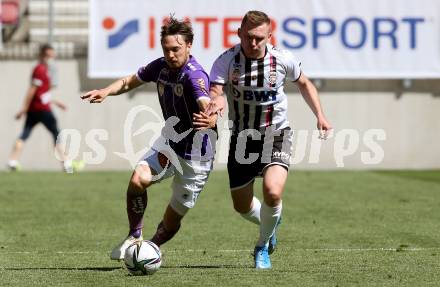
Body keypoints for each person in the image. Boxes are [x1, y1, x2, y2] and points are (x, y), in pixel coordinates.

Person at [194, 10, 332, 269]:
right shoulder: (226, 61)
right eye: (248, 37)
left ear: (270, 36)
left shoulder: (282, 59)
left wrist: (320, 115)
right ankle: (271, 221)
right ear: (239, 34)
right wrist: (216, 104)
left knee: (272, 192)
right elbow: (216, 91)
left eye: (259, 38)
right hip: (242, 138)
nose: (254, 43)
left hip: (276, 134)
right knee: (242, 206)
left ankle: (261, 247)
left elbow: (304, 83)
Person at [81, 17, 217, 260]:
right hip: (170, 145)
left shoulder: (194, 76)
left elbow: (205, 102)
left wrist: (211, 118)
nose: (170, 54)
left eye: (175, 49)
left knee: (173, 217)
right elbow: (130, 81)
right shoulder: (161, 67)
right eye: (166, 49)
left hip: (196, 156)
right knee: (137, 180)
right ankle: (135, 235)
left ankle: (149, 249)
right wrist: (106, 92)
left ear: (189, 46)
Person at [7, 43, 71, 172]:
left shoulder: (44, 70)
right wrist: (24, 108)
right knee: (56, 133)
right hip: (41, 109)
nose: (50, 58)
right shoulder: (40, 69)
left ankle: (12, 161)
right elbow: (32, 90)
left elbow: (41, 93)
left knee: (25, 133)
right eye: (48, 55)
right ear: (42, 54)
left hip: (35, 109)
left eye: (52, 55)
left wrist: (55, 102)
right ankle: (66, 163)